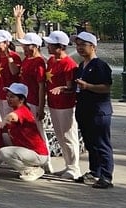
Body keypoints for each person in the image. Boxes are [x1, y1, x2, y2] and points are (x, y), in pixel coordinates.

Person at [73, 31, 115, 189]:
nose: (79, 48)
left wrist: (88, 86)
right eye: (77, 45)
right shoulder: (81, 66)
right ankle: (94, 172)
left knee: (102, 143)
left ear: (93, 47)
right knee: (90, 143)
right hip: (84, 110)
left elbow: (106, 87)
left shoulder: (100, 66)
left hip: (98, 111)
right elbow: (77, 87)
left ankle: (106, 176)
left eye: (83, 45)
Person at [43, 30, 82, 180]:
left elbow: (71, 87)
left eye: (51, 45)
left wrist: (62, 89)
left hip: (66, 106)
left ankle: (74, 168)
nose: (48, 47)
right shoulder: (52, 60)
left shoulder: (69, 64)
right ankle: (68, 165)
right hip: (53, 104)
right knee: (60, 136)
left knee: (68, 136)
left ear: (60, 47)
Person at [0, 83, 50, 181]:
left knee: (3, 152)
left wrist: (4, 121)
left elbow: (12, 117)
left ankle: (31, 170)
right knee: (3, 136)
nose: (8, 99)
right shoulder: (17, 109)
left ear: (22, 99)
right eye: (7, 96)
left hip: (38, 154)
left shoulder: (22, 111)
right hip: (27, 151)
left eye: (12, 97)